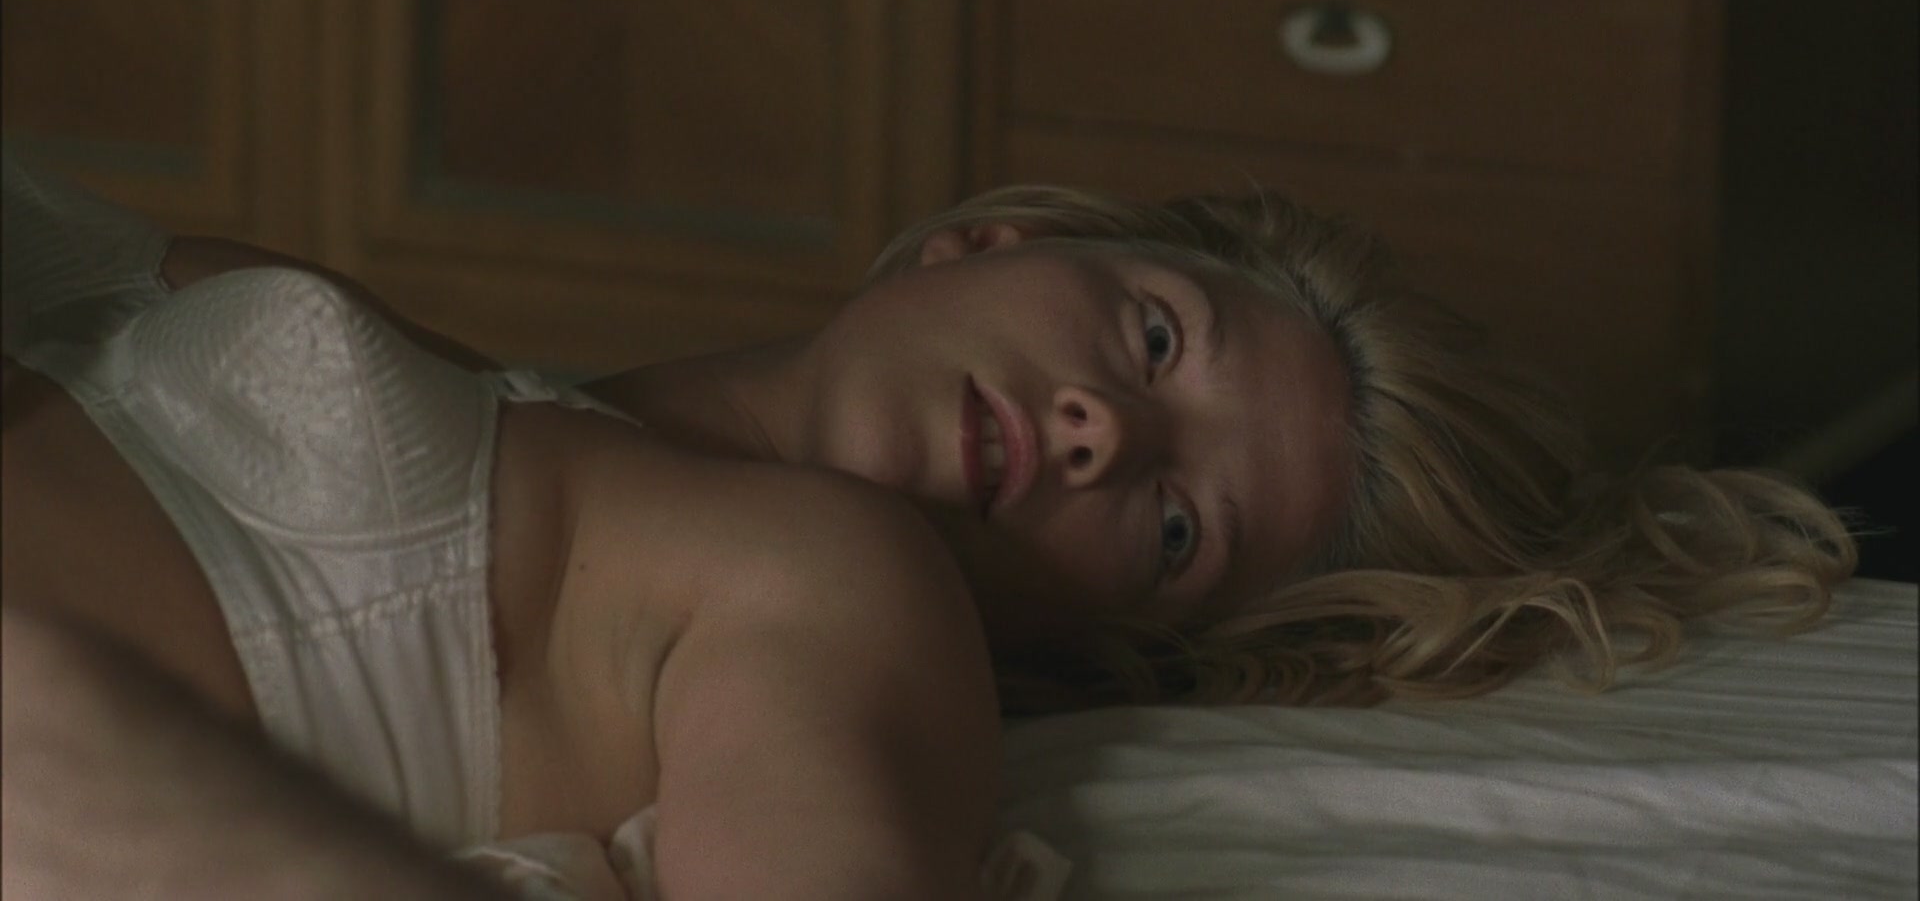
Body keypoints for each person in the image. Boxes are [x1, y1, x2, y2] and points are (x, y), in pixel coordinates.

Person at [0, 156, 1857, 897]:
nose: (1100, 431)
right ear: (992, 246)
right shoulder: (470, 380)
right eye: (1153, 340)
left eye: (1178, 529)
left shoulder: (833, 589)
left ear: (1120, 637)